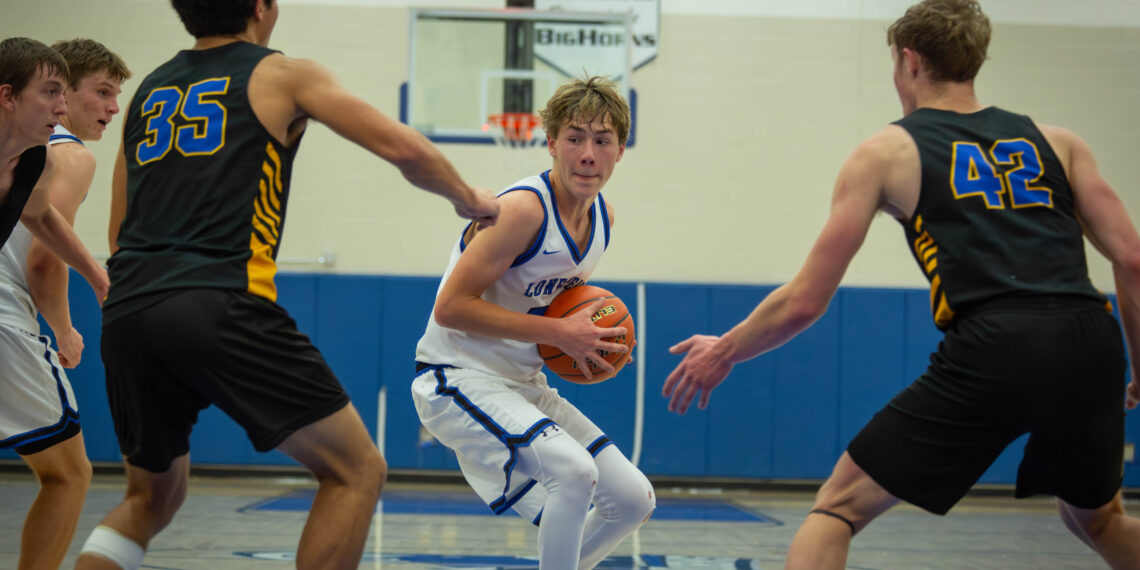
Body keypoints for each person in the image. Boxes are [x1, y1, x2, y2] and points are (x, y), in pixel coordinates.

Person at [661, 1, 1140, 568]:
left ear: (909, 61)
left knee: (836, 508)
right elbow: (1131, 260)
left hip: (998, 343)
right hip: (1092, 341)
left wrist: (725, 351)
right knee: (1098, 516)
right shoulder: (1059, 142)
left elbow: (806, 300)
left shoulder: (886, 152)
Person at [73, 0, 499, 568]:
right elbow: (403, 148)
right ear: (261, 8)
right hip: (217, 299)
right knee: (355, 470)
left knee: (150, 498)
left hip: (127, 309)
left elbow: (119, 230)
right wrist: (470, 200)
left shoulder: (149, 90)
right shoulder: (280, 73)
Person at [412, 75, 655, 570]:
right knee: (572, 471)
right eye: (575, 138)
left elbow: (557, 315)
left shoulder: (604, 218)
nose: (588, 153)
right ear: (551, 144)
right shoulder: (523, 209)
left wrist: (595, 344)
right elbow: (450, 307)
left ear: (620, 151)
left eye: (602, 140)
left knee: (632, 499)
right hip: (454, 377)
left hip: (522, 384)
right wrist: (561, 333)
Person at [0, 38, 128, 569]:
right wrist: (65, 329)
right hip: (9, 322)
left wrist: (99, 279)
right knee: (70, 473)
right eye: (100, 92)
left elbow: (40, 220)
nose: (113, 108)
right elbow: (43, 262)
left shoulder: (30, 158)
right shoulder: (70, 153)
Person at [0, 37, 109, 303]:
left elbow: (40, 216)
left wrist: (98, 277)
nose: (61, 108)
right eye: (50, 92)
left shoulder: (39, 161)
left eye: (62, 94)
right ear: (8, 96)